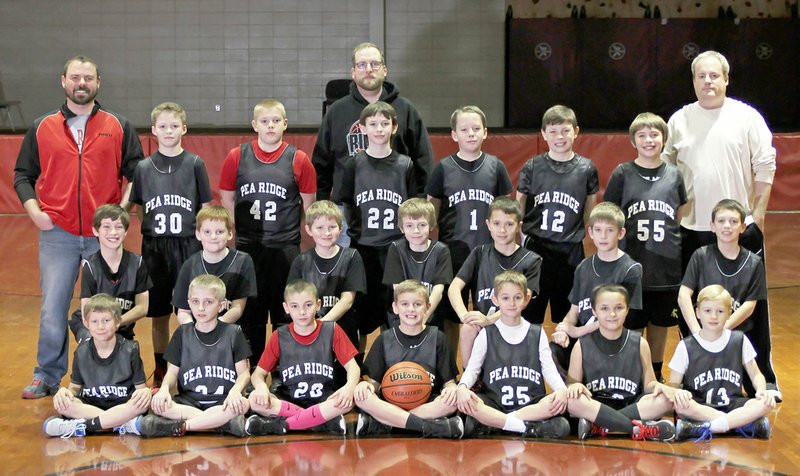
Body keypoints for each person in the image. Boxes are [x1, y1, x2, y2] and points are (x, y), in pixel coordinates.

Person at [14, 54, 144, 399]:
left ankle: (111, 376)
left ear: (98, 82)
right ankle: (46, 375)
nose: (81, 83)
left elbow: (137, 172)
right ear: (64, 82)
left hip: (105, 237)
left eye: (88, 78)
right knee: (53, 306)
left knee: (106, 309)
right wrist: (35, 212)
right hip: (59, 233)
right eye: (75, 78)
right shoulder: (43, 127)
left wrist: (121, 210)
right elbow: (22, 176)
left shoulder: (118, 125)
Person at [661, 50, 779, 399]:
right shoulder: (679, 120)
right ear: (693, 80)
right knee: (692, 307)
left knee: (751, 307)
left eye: (714, 76)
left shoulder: (747, 117)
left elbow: (766, 167)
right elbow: (664, 171)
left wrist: (757, 215)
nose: (708, 82)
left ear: (726, 79)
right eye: (701, 76)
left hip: (736, 229)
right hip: (693, 228)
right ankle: (698, 373)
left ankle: (764, 377)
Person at [219, 99, 316, 363]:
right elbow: (227, 199)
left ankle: (283, 366)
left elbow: (310, 206)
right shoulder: (237, 156)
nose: (270, 126)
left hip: (285, 247)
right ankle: (254, 368)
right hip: (249, 246)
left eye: (275, 121)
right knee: (252, 312)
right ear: (254, 125)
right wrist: (233, 233)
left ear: (285, 124)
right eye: (264, 121)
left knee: (285, 311)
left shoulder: (299, 159)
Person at [313, 42, 433, 246]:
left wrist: (419, 205)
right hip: (348, 210)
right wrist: (324, 206)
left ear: (384, 70)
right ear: (353, 72)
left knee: (397, 276)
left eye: (374, 64)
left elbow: (423, 160)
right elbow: (321, 163)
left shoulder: (405, 110)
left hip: (398, 210)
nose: (368, 69)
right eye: (362, 65)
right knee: (348, 275)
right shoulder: (337, 111)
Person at [128, 101, 213, 388]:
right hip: (154, 248)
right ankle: (162, 368)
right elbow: (138, 206)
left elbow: (205, 206)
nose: (168, 131)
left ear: (184, 129)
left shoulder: (195, 163)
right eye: (162, 126)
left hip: (188, 246)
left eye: (174, 126)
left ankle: (192, 365)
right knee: (159, 314)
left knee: (190, 310)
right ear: (153, 131)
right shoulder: (143, 168)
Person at [603, 112, 687, 382]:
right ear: (633, 141)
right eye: (642, 135)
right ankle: (633, 374)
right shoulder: (623, 173)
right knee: (633, 323)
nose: (649, 140)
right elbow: (609, 213)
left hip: (665, 264)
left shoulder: (674, 175)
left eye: (654, 135)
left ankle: (657, 372)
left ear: (663, 139)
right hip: (632, 262)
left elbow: (679, 214)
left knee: (661, 323)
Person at [426, 105, 513, 342]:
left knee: (492, 311)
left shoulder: (496, 167)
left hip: (489, 250)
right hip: (453, 251)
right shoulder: (443, 168)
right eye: (464, 129)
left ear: (485, 132)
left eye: (476, 128)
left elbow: (508, 212)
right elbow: (431, 214)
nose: (471, 133)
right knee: (452, 315)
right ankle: (451, 372)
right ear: (454, 135)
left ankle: (487, 370)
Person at [332, 101, 415, 337]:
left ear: (394, 127)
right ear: (363, 128)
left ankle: (392, 365)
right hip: (363, 247)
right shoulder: (353, 165)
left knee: (395, 311)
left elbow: (412, 207)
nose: (379, 129)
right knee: (360, 316)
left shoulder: (405, 164)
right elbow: (344, 204)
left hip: (396, 248)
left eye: (385, 124)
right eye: (374, 124)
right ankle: (356, 367)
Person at [456, 271, 570, 439]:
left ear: (527, 297)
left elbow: (549, 369)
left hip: (530, 405)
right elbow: (473, 369)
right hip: (495, 403)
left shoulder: (537, 333)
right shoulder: (487, 334)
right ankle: (527, 428)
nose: (511, 303)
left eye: (517, 297)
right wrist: (463, 387)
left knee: (553, 403)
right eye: (505, 298)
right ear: (495, 299)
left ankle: (497, 424)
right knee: (473, 403)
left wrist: (561, 390)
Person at [516, 105, 599, 327]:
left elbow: (590, 210)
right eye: (552, 131)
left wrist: (582, 234)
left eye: (565, 130)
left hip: (570, 250)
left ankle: (564, 361)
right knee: (529, 315)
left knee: (569, 317)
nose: (559, 137)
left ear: (576, 131)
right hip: (536, 249)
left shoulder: (586, 168)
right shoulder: (533, 166)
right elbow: (518, 207)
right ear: (543, 134)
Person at [677, 199, 769, 397]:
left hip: (735, 337)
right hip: (703, 334)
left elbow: (749, 305)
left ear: (743, 227)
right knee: (690, 394)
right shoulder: (700, 256)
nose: (727, 226)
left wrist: (721, 331)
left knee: (755, 396)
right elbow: (684, 294)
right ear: (712, 226)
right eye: (721, 221)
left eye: (734, 222)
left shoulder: (754, 263)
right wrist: (698, 333)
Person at [246, 280, 360, 436]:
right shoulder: (279, 335)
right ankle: (320, 423)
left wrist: (349, 388)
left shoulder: (332, 330)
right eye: (295, 306)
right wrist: (261, 387)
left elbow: (353, 367)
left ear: (318, 304)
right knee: (254, 399)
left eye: (308, 305)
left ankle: (275, 426)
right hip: (289, 400)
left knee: (349, 401)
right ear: (286, 308)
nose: (302, 312)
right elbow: (258, 374)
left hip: (323, 401)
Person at [354, 280, 463, 438]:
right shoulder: (385, 339)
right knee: (362, 398)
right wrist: (366, 386)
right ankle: (429, 426)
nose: (411, 309)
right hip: (391, 402)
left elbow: (449, 383)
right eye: (404, 304)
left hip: (427, 403)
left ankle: (390, 424)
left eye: (418, 304)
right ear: (395, 308)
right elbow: (374, 384)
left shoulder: (438, 338)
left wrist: (451, 390)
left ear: (428, 307)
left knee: (453, 401)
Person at [566, 285, 676, 442]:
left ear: (627, 310)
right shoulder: (582, 345)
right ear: (594, 311)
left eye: (619, 308)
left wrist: (659, 386)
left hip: (632, 405)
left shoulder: (640, 343)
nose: (612, 314)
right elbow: (571, 385)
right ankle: (638, 429)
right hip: (596, 405)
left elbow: (649, 384)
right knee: (572, 400)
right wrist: (574, 386)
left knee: (665, 399)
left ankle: (601, 426)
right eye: (604, 308)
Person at [669, 285, 775, 441]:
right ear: (698, 313)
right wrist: (679, 392)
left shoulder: (739, 340)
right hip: (700, 406)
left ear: (729, 314)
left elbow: (756, 374)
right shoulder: (686, 346)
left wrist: (761, 390)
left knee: (767, 404)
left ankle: (706, 427)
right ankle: (740, 424)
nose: (713, 316)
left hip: (734, 403)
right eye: (707, 311)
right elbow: (672, 387)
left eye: (720, 311)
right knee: (682, 406)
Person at [151, 275, 253, 437]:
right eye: (195, 301)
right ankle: (219, 424)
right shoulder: (182, 334)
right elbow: (171, 372)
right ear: (189, 303)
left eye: (208, 302)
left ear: (221, 306)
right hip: (190, 403)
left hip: (224, 402)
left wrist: (235, 392)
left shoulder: (233, 333)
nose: (200, 308)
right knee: (160, 405)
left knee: (243, 404)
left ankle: (185, 426)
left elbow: (244, 374)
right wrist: (164, 389)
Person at [551, 202, 643, 376]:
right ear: (590, 232)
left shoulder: (630, 269)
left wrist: (578, 331)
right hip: (585, 338)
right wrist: (564, 328)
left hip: (612, 338)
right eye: (598, 230)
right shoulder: (583, 267)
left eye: (610, 230)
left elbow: (624, 318)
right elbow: (574, 310)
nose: (603, 236)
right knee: (553, 349)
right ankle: (572, 393)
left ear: (621, 233)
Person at [43, 294, 154, 438]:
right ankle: (120, 424)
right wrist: (65, 393)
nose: (100, 326)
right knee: (65, 404)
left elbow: (140, 390)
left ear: (118, 321)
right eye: (94, 321)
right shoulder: (81, 352)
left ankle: (83, 426)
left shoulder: (130, 350)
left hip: (121, 405)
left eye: (106, 321)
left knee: (141, 404)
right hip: (92, 405)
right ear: (86, 323)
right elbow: (74, 388)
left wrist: (145, 393)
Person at [449, 197, 541, 365]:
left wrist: (489, 320)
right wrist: (465, 316)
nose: (502, 230)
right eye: (497, 223)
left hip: (513, 324)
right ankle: (470, 379)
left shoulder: (531, 260)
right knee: (468, 328)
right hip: (483, 325)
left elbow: (524, 300)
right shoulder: (480, 253)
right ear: (488, 224)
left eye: (509, 224)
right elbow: (454, 287)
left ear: (519, 226)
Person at [287, 200, 366, 352]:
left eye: (332, 227)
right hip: (309, 330)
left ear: (341, 228)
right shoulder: (301, 261)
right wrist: (311, 327)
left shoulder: (352, 257)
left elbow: (347, 300)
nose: (327, 233)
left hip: (343, 331)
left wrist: (322, 324)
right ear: (309, 230)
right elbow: (293, 300)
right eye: (320, 228)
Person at [68, 205, 151, 344]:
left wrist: (115, 323)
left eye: (118, 227)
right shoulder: (90, 266)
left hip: (121, 326)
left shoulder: (137, 263)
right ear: (96, 231)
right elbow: (86, 312)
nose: (113, 232)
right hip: (92, 326)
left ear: (125, 232)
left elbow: (143, 308)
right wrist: (103, 327)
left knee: (125, 355)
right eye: (106, 227)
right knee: (92, 347)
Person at [171, 206, 257, 326]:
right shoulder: (190, 265)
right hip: (198, 331)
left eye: (219, 232)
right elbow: (183, 311)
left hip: (231, 331)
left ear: (230, 234)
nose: (213, 237)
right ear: (198, 234)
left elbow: (237, 308)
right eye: (207, 232)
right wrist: (194, 331)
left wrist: (214, 330)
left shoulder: (243, 261)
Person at [383, 198, 452, 328]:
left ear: (431, 225)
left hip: (430, 317)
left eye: (422, 225)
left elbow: (438, 291)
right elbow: (398, 289)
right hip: (402, 317)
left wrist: (422, 318)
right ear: (401, 228)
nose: (416, 231)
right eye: (409, 225)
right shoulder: (396, 249)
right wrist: (409, 320)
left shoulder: (441, 250)